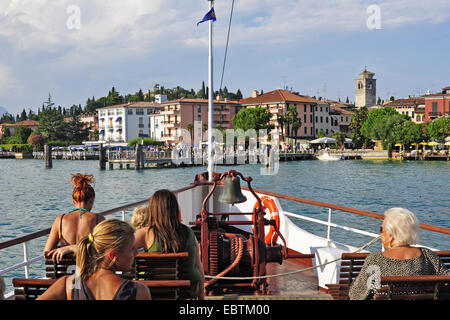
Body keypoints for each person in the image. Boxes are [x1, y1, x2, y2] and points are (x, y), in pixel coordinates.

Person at [349, 208, 449, 300]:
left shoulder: (376, 259)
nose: (380, 234)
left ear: (391, 236)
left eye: (382, 230)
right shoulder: (428, 255)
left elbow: (356, 295)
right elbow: (447, 283)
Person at [38, 219, 151, 300]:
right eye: (132, 249)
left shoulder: (69, 284)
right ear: (112, 255)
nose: (136, 253)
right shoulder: (138, 291)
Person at [134, 189, 205, 299]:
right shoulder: (189, 232)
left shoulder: (146, 233)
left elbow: (122, 247)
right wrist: (201, 295)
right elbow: (199, 268)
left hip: (156, 291)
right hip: (188, 290)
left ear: (153, 210)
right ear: (175, 209)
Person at [43, 173, 105, 262]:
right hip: (90, 273)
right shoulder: (98, 220)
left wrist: (67, 248)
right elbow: (104, 248)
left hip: (66, 274)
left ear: (73, 200)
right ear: (92, 200)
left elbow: (47, 253)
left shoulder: (60, 220)